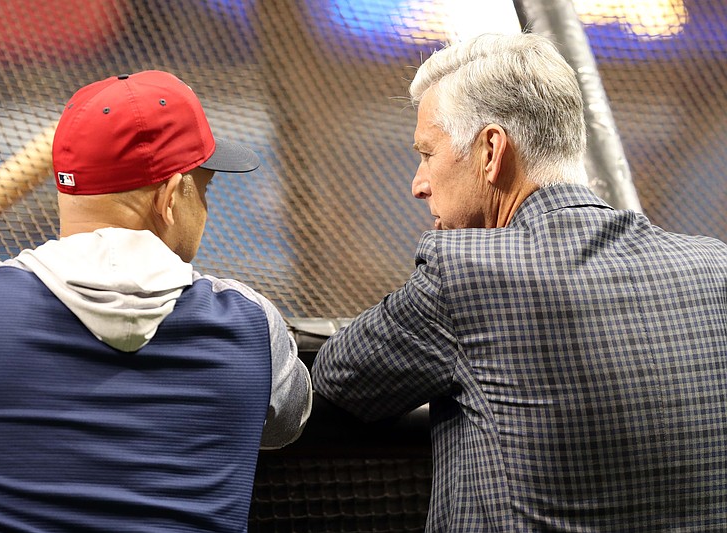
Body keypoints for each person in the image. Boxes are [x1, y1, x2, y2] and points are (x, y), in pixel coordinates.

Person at [311, 32, 727, 531]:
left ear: (491, 151)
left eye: (426, 153)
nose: (417, 183)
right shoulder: (714, 268)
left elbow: (339, 376)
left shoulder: (466, 272)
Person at [0, 70, 312, 532]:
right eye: (203, 188)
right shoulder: (251, 324)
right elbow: (285, 424)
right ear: (170, 198)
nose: (204, 207)